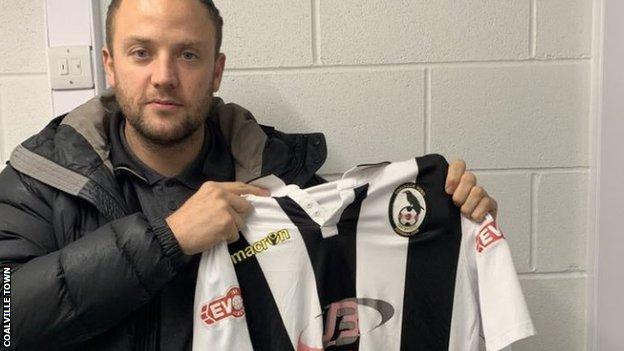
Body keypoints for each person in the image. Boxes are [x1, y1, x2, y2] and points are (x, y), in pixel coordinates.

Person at [0, 0, 498, 350]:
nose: (164, 75)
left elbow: (361, 280)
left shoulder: (284, 177)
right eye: (141, 52)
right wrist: (167, 239)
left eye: (188, 54)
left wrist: (448, 215)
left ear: (216, 71)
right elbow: (7, 322)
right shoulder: (42, 177)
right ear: (111, 65)